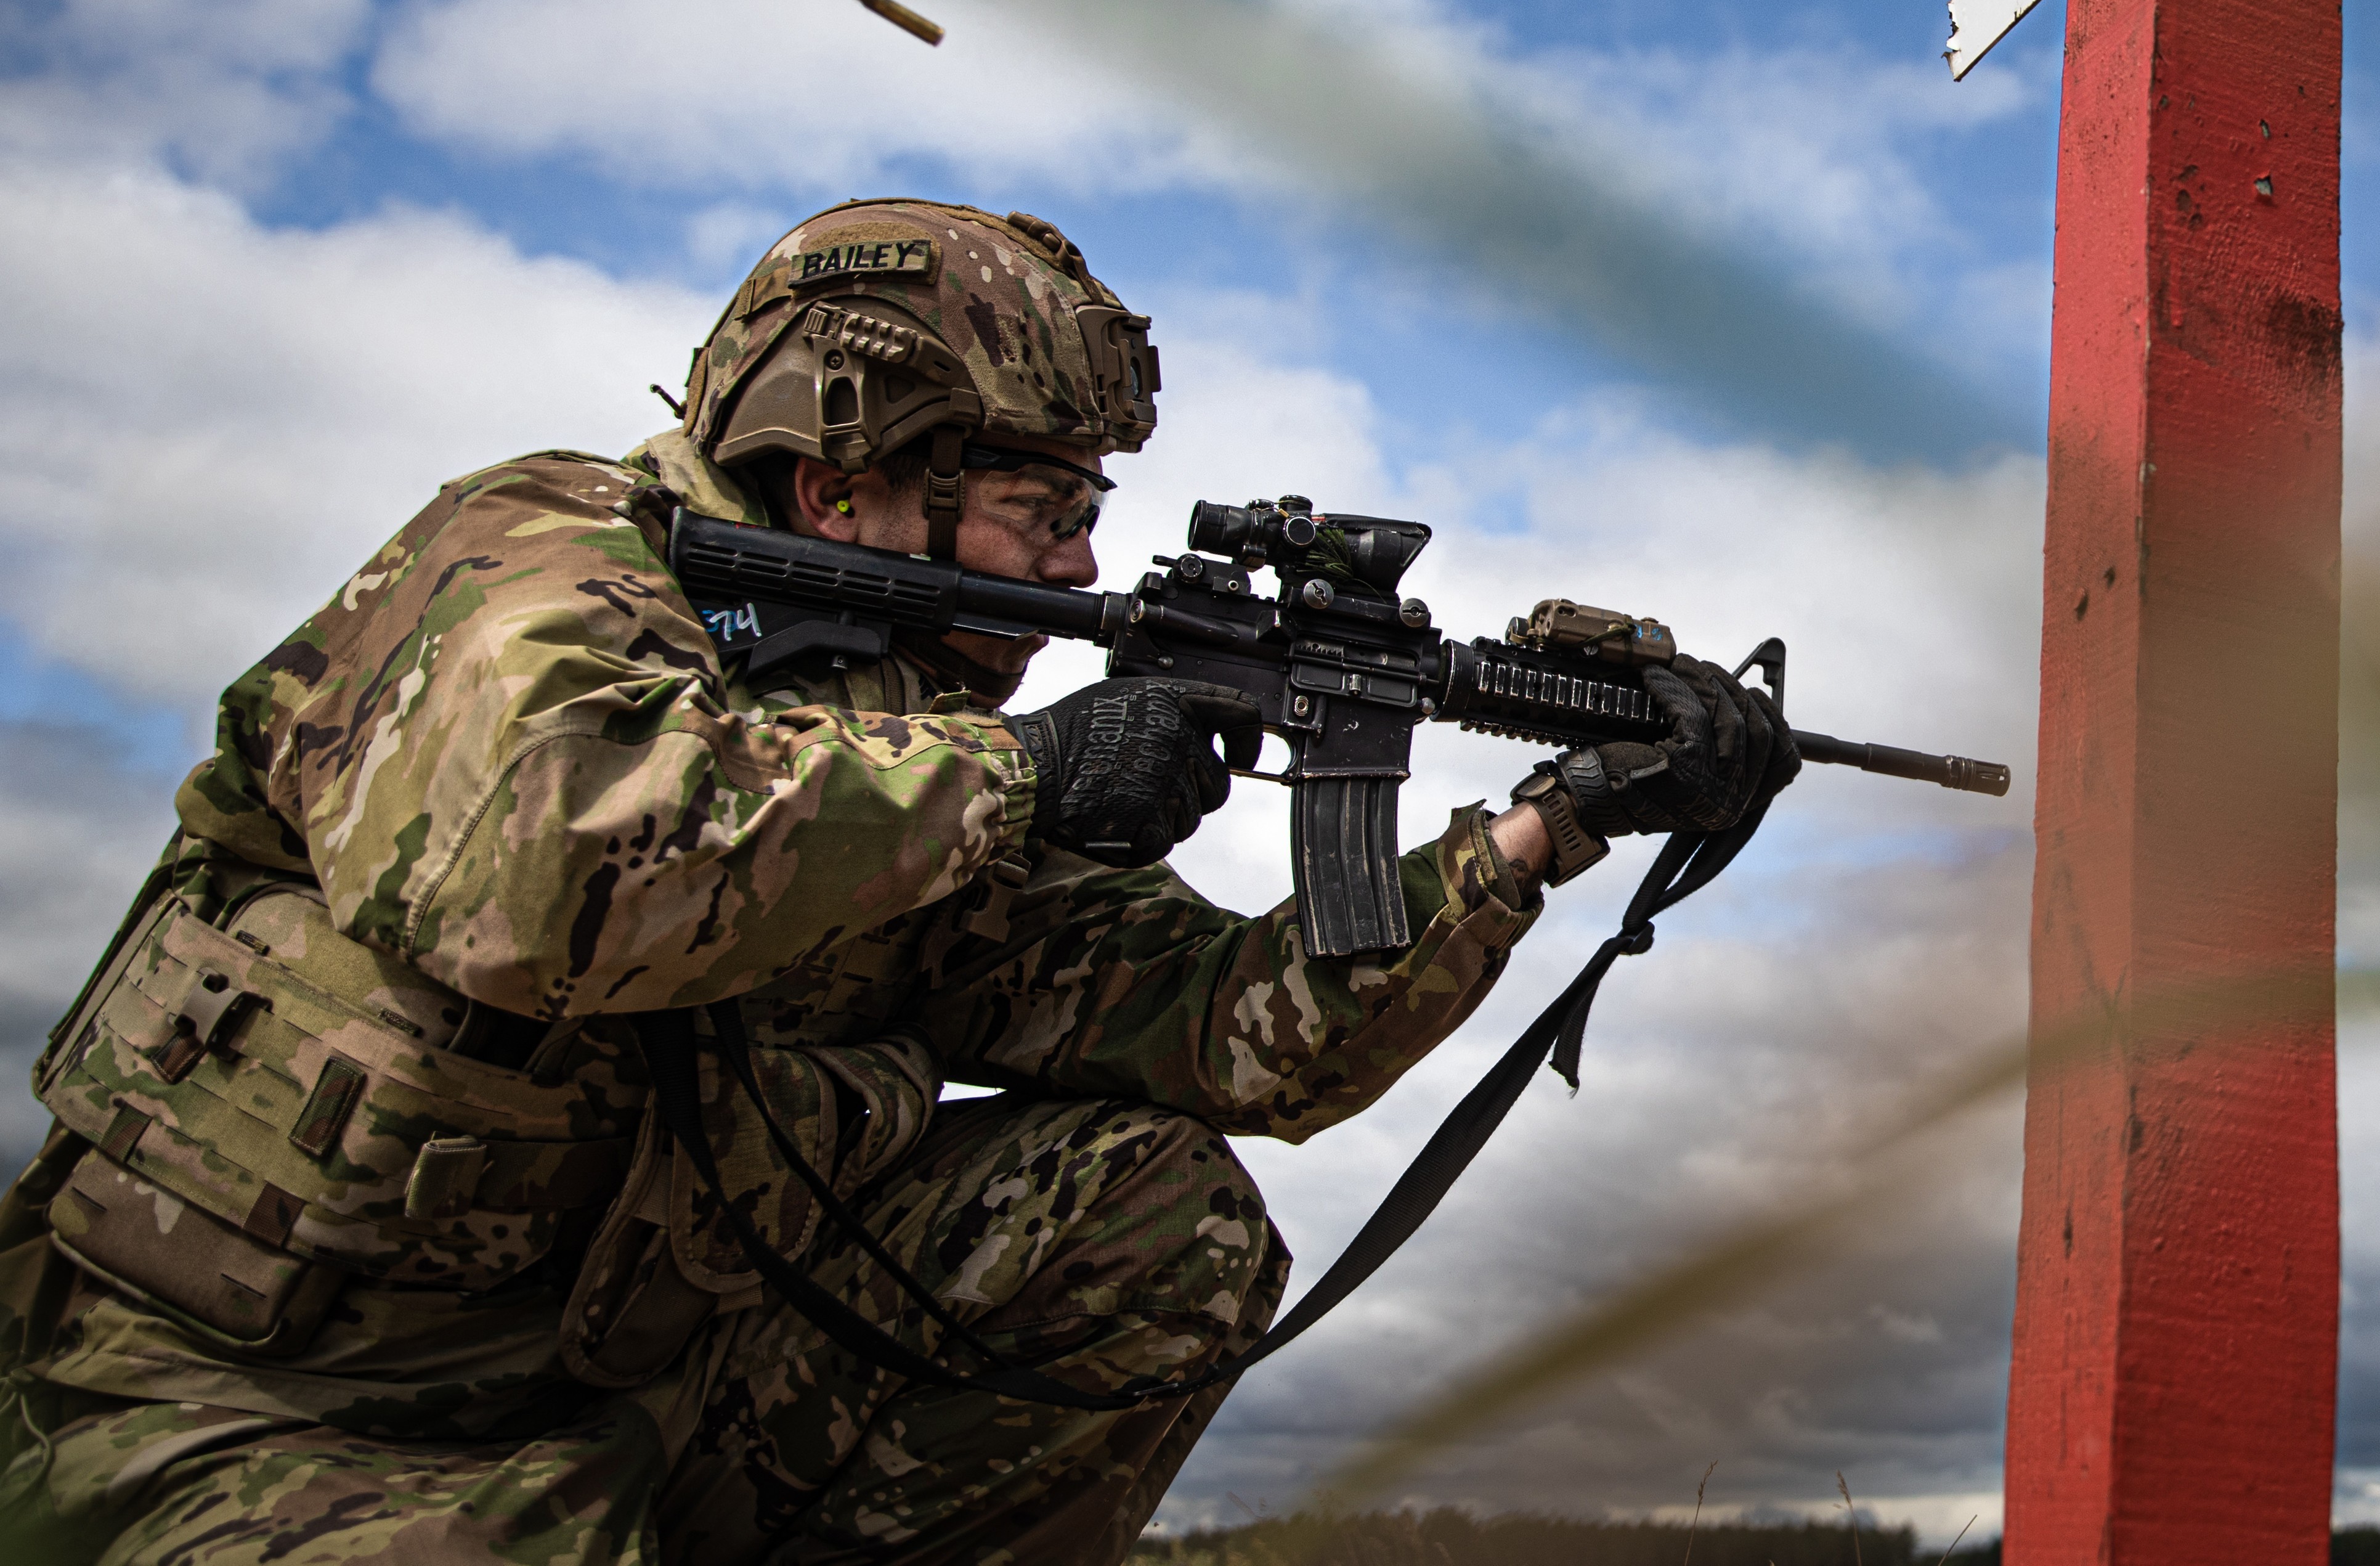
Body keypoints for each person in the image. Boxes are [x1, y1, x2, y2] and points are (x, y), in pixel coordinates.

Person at [0, 198, 1796, 1566]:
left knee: (1151, 1210)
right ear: (851, 477)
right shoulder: (534, 561)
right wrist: (1022, 776)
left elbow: (1237, 1038)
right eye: (1046, 512)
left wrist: (1543, 830)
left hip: (646, 1402)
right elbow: (547, 866)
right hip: (218, 1414)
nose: (1089, 562)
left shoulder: (908, 731)